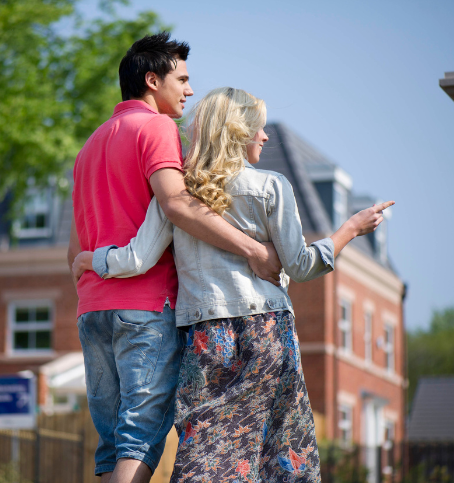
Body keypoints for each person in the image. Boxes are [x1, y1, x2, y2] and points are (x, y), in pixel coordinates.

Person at [73, 87, 394, 482]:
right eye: (259, 128)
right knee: (280, 448)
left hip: (205, 336)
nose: (265, 136)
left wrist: (93, 259)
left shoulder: (175, 193)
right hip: (267, 331)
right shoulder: (271, 187)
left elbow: (137, 258)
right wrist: (350, 229)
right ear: (240, 132)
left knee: (205, 446)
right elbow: (303, 265)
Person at [68, 36, 283, 483]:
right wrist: (254, 250)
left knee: (112, 444)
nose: (188, 90)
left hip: (92, 311)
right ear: (152, 80)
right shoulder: (158, 129)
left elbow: (74, 252)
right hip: (144, 309)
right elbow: (177, 204)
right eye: (181, 79)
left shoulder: (88, 147)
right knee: (140, 438)